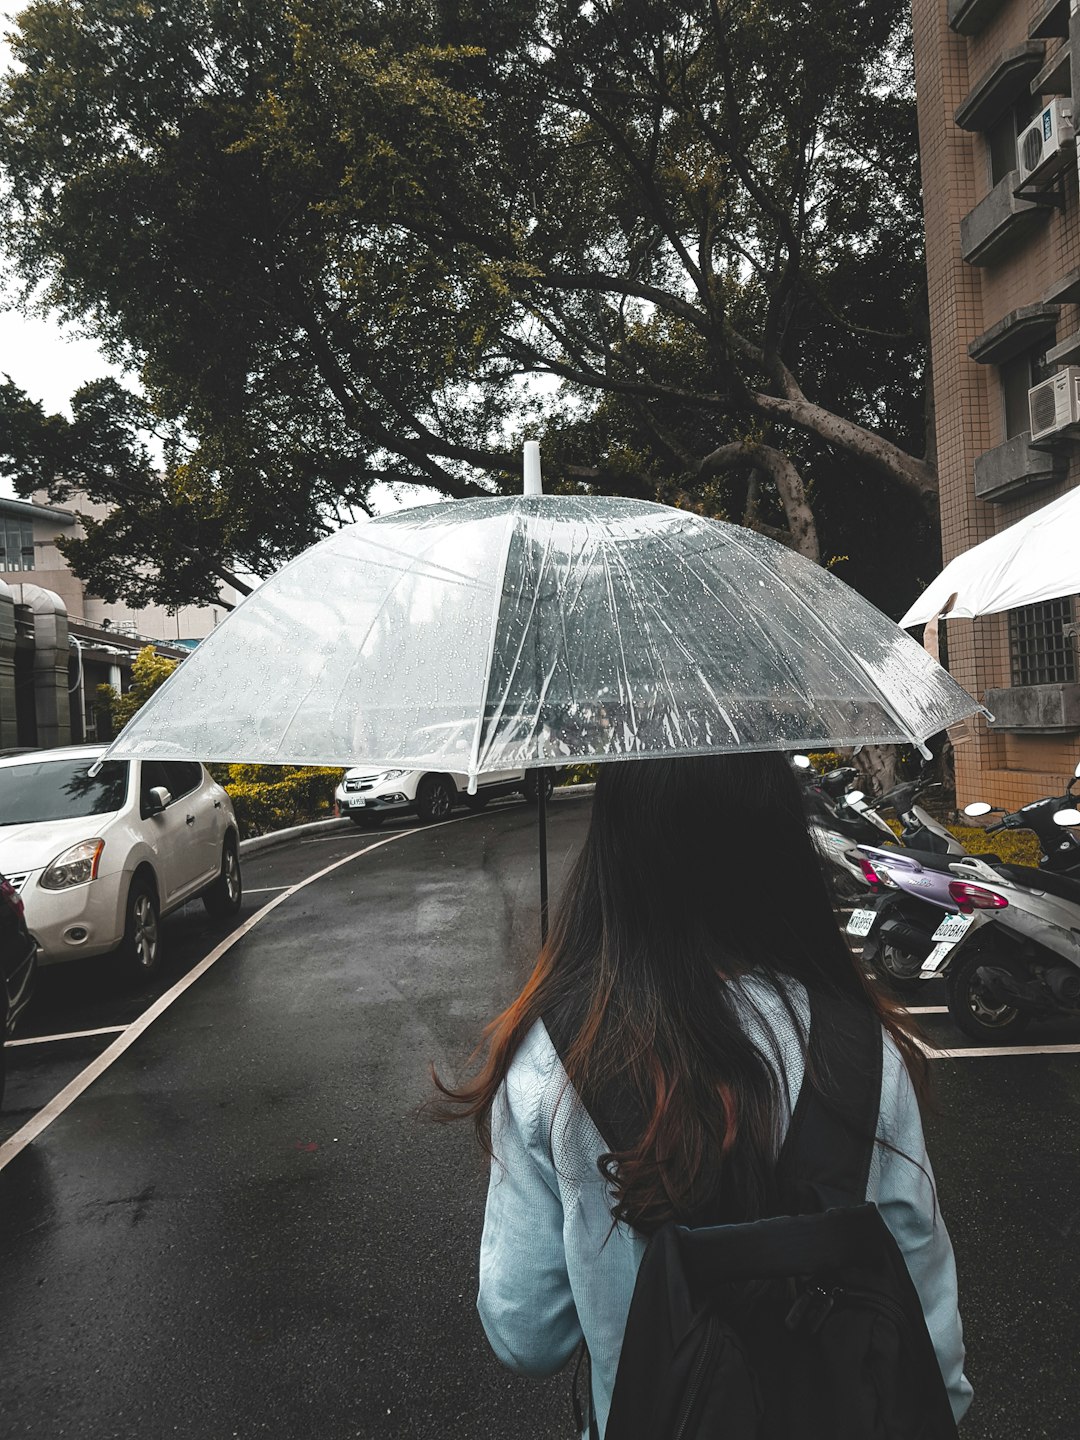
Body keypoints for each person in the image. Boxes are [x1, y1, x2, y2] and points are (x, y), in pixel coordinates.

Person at [434, 753, 972, 1435]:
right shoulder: (860, 1043)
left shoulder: (554, 1061)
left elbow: (526, 1335)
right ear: (779, 841)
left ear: (616, 848)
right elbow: (927, 1320)